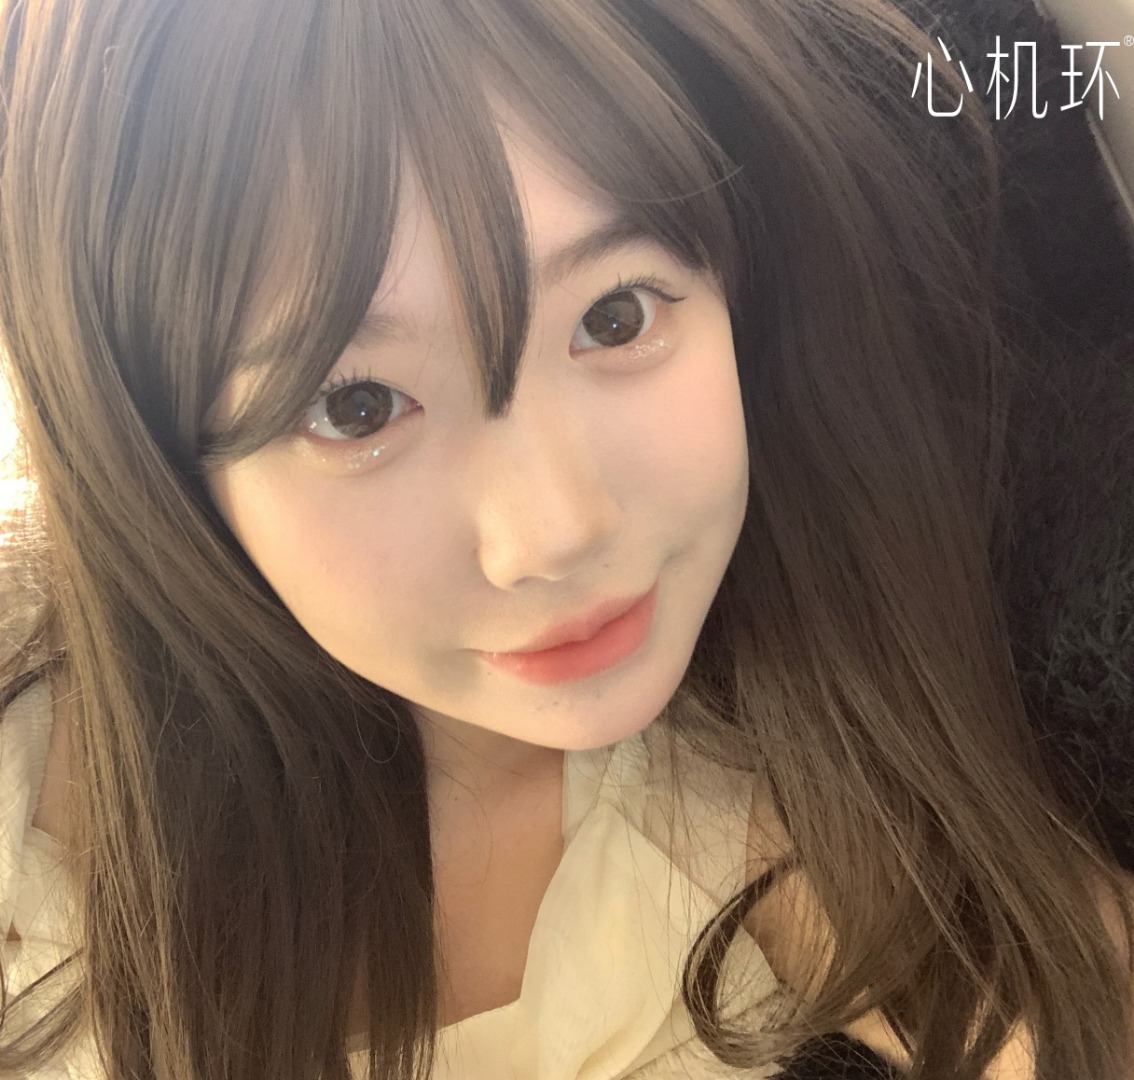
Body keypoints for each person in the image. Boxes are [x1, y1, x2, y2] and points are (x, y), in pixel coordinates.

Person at [0, 0, 1131, 1077]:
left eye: (615, 315)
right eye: (355, 407)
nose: (555, 534)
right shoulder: (29, 741)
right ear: (152, 470)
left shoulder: (768, 802)